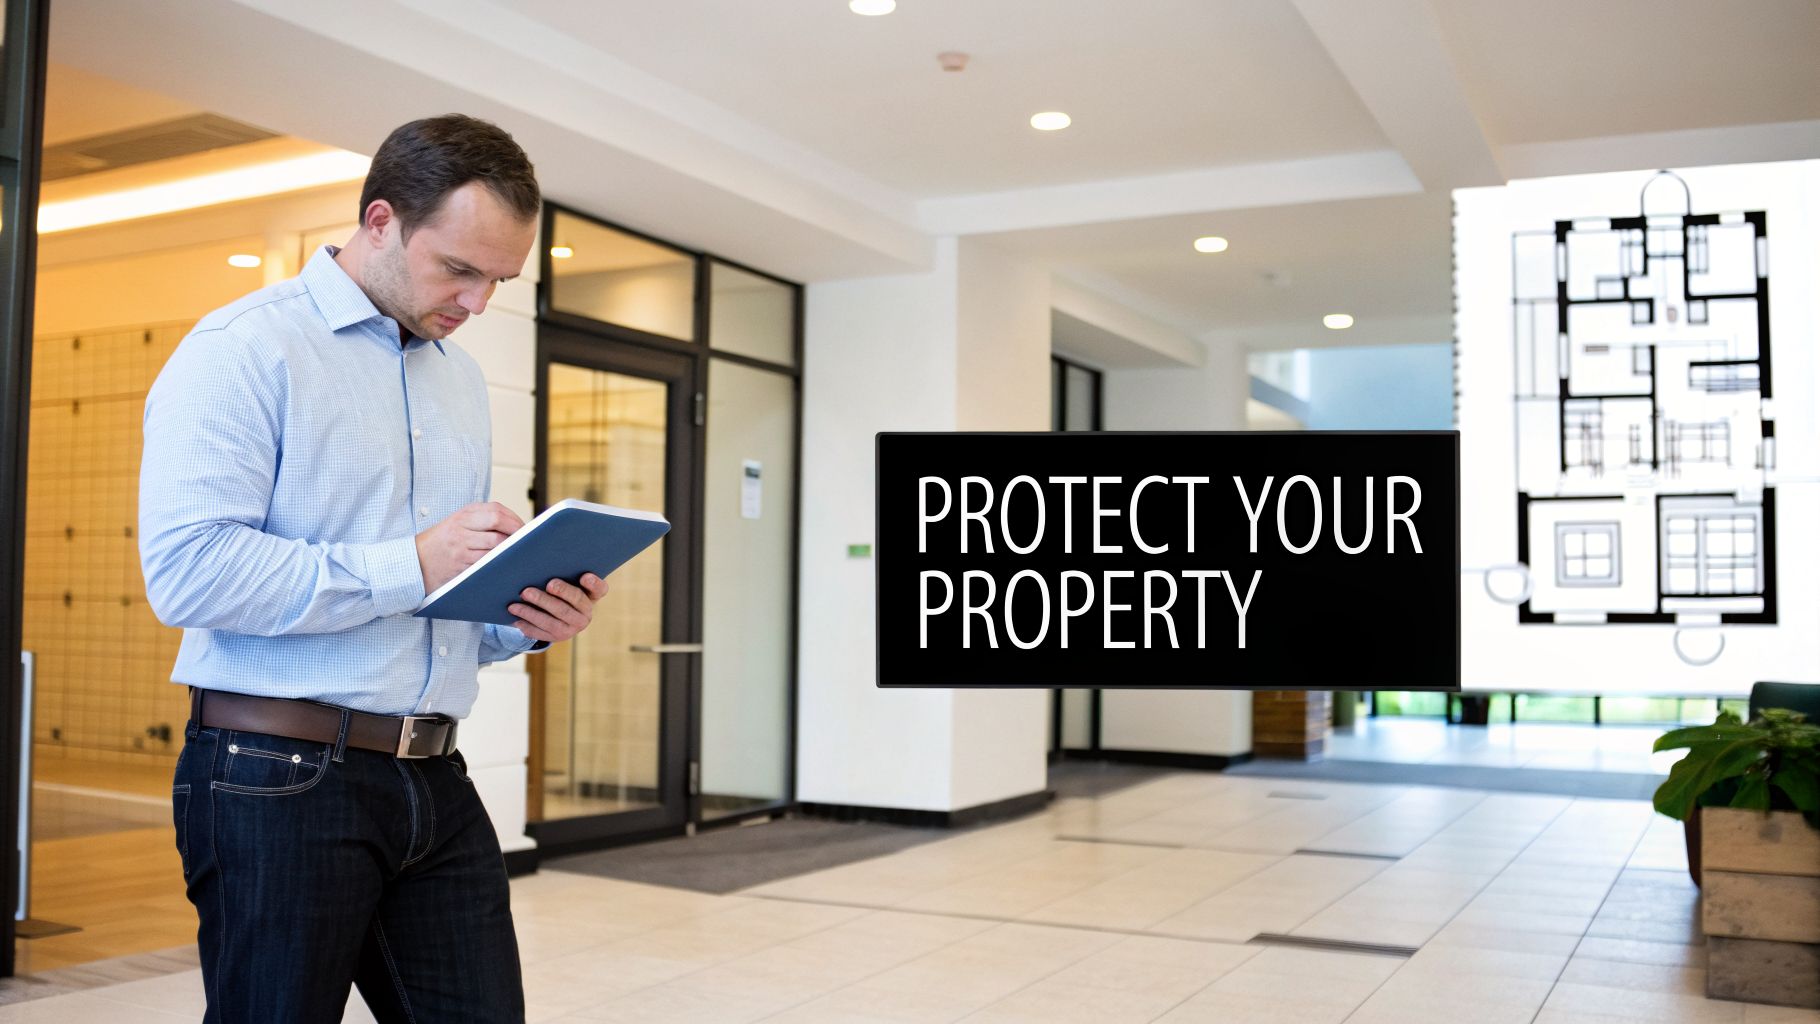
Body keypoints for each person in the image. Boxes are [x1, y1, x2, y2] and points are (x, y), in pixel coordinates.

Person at [139, 114, 595, 1023]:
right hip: (274, 775)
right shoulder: (243, 349)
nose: (476, 303)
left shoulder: (456, 380)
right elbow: (187, 573)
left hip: (434, 775)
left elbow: (433, 600)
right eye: (457, 269)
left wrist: (520, 616)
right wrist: (413, 563)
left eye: (499, 278)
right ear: (379, 221)